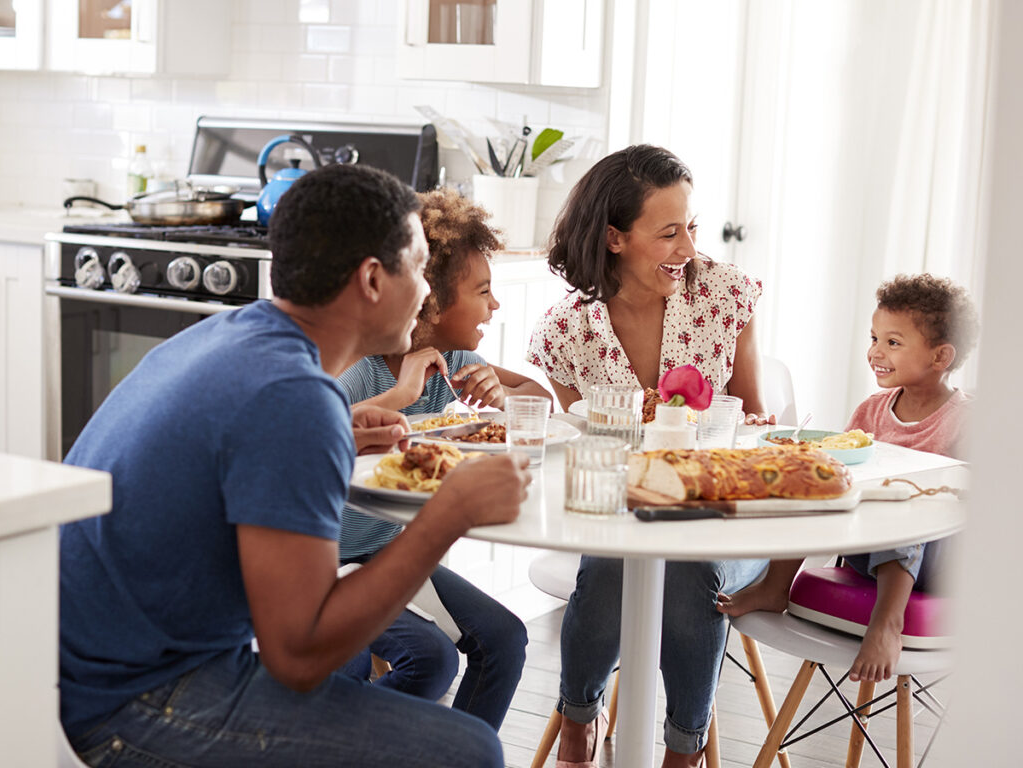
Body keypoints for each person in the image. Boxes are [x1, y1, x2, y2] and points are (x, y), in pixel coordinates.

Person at [58, 163, 532, 768]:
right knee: (467, 751)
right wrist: (449, 513)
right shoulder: (292, 400)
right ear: (371, 280)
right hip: (130, 701)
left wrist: (335, 421)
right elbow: (300, 656)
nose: (425, 292)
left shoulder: (239, 338)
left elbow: (249, 435)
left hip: (91, 665)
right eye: (417, 269)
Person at [526, 144, 770, 768]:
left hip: (723, 514)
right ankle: (580, 717)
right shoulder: (569, 332)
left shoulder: (725, 297)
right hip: (621, 511)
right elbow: (585, 452)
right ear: (614, 238)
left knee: (688, 570)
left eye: (691, 226)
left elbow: (752, 419)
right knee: (615, 563)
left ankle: (681, 750)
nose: (688, 247)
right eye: (668, 233)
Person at [338, 188, 551, 730]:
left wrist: (505, 393)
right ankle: (355, 740)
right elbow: (317, 430)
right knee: (428, 660)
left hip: (394, 553)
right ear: (431, 298)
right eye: (483, 291)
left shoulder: (454, 359)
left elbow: (539, 401)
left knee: (505, 638)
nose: (495, 305)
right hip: (332, 561)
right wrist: (401, 394)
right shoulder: (363, 369)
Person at [718, 273, 979, 683]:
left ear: (940, 357)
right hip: (868, 550)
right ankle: (776, 585)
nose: (875, 351)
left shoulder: (967, 418)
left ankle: (888, 623)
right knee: (815, 479)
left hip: (937, 559)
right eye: (873, 338)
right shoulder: (871, 411)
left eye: (892, 342)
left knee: (906, 501)